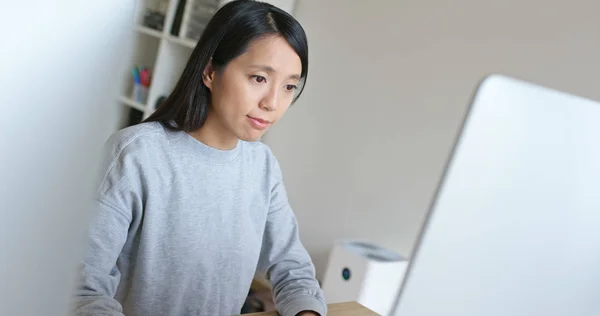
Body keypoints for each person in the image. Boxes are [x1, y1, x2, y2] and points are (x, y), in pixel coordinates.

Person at [72, 1, 326, 315]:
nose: (273, 103)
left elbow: (293, 267)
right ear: (209, 72)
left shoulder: (262, 166)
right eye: (259, 78)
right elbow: (82, 291)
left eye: (289, 86)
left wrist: (307, 310)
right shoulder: (136, 155)